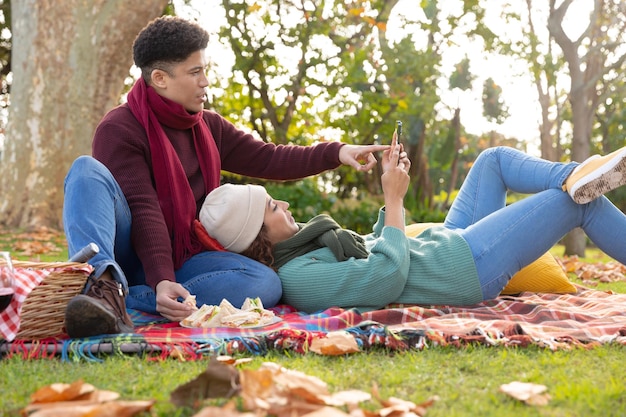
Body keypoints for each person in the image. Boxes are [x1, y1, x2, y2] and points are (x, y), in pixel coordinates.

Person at [62, 16, 388, 338]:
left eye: (205, 69)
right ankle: (103, 285)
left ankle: (127, 299)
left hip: (183, 256)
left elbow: (269, 158)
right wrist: (160, 277)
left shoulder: (209, 126)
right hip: (127, 249)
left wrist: (337, 153)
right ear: (160, 78)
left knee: (264, 283)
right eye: (195, 72)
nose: (205, 81)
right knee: (86, 171)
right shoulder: (120, 128)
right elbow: (145, 208)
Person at [199, 138, 626, 313]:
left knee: (492, 161)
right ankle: (579, 179)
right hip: (464, 268)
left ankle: (576, 173)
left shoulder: (308, 243)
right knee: (575, 204)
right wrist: (394, 198)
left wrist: (392, 198)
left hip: (446, 245)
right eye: (273, 206)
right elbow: (385, 276)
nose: (286, 203)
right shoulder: (297, 277)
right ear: (257, 234)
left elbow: (375, 244)